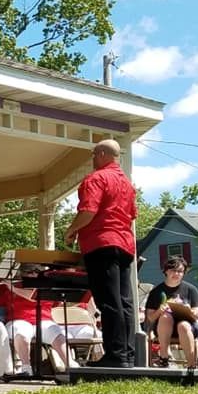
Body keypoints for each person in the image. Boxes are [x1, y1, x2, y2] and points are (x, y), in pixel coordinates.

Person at [64, 139, 137, 367]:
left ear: (103, 153)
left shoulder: (96, 178)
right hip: (124, 245)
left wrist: (71, 229)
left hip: (101, 243)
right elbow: (131, 214)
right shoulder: (127, 183)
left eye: (94, 154)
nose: (93, 159)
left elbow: (88, 211)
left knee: (108, 301)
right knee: (124, 301)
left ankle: (115, 355)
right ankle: (127, 354)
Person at [0, 263, 76, 374]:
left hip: (43, 320)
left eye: (37, 271)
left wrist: (13, 289)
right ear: (22, 274)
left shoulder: (45, 287)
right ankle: (26, 368)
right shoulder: (13, 286)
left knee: (56, 332)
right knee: (21, 332)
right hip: (19, 320)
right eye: (29, 272)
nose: (33, 274)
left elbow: (33, 297)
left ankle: (71, 365)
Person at [145, 256, 198, 367]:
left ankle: (191, 365)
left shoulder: (191, 290)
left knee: (183, 325)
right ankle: (164, 358)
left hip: (187, 326)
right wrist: (160, 310)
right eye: (174, 270)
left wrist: (190, 310)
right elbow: (151, 318)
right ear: (166, 271)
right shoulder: (156, 291)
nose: (177, 274)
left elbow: (197, 314)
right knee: (165, 317)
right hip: (164, 327)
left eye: (180, 271)